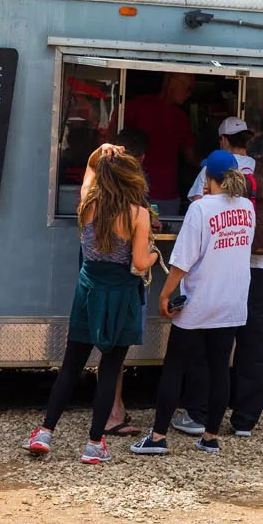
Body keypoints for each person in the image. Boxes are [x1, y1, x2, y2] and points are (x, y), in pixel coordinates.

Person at [23, 144, 158, 463]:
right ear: (131, 180)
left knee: (70, 366)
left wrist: (97, 153)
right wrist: (154, 254)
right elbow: (139, 262)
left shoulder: (87, 206)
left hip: (87, 293)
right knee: (109, 370)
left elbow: (89, 170)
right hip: (121, 297)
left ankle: (45, 432)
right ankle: (94, 444)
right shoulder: (138, 215)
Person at [131, 150, 254, 455]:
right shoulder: (248, 208)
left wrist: (164, 294)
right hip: (233, 301)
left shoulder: (200, 210)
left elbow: (184, 261)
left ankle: (158, 437)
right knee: (220, 369)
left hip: (199, 301)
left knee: (174, 367)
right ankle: (210, 436)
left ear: (210, 178)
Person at [168, 117, 263, 438]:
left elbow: (198, 208)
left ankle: (199, 414)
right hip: (260, 269)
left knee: (208, 345)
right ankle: (245, 420)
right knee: (253, 345)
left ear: (224, 141)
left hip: (222, 270)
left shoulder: (215, 169)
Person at [98, 128, 154, 438]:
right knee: (116, 354)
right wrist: (155, 258)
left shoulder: (93, 202)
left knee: (103, 353)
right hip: (123, 287)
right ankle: (112, 413)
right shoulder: (136, 209)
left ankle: (108, 412)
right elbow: (140, 261)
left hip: (95, 286)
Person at [122, 73, 198, 218]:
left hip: (168, 195)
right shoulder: (136, 107)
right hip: (135, 191)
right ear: (172, 81)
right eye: (188, 88)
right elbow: (114, 139)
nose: (189, 94)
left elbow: (191, 157)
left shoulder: (180, 118)